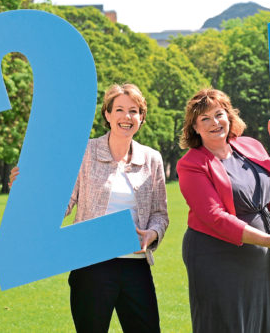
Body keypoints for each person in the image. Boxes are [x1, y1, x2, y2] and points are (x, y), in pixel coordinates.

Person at [10, 83, 168, 333]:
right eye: (119, 109)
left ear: (141, 117)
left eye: (133, 111)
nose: (126, 117)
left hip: (135, 266)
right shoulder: (85, 152)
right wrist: (27, 193)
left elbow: (160, 213)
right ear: (107, 114)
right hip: (91, 266)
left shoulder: (152, 159)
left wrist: (153, 233)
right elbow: (63, 201)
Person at [176, 88, 270, 333]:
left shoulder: (251, 146)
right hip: (216, 257)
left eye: (219, 114)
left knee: (262, 324)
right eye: (205, 119)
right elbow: (214, 217)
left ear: (229, 116)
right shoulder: (191, 164)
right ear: (194, 128)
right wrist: (267, 240)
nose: (214, 123)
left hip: (258, 257)